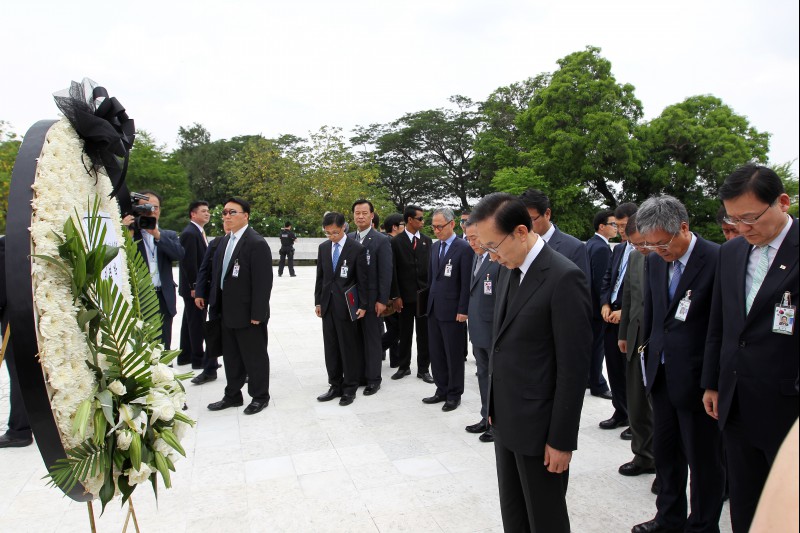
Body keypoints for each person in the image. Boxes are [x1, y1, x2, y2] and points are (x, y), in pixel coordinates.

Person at [472, 193, 591, 533]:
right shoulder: (511, 267)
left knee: (545, 517)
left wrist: (562, 439)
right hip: (506, 418)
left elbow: (573, 368)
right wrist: (492, 404)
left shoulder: (564, 278)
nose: (492, 257)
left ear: (521, 232)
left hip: (541, 429)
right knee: (514, 513)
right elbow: (502, 345)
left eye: (494, 246)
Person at [702, 163, 798, 532]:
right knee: (744, 501)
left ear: (783, 202)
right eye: (732, 219)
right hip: (736, 402)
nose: (741, 228)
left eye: (750, 218)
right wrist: (713, 382)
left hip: (788, 407)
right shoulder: (732, 253)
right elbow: (719, 324)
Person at [634, 195, 725, 533]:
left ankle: (702, 525)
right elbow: (655, 315)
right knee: (667, 453)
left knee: (704, 460)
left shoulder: (717, 259)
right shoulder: (655, 261)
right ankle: (668, 518)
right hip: (661, 374)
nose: (658, 250)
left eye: (662, 242)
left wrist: (712, 380)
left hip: (699, 380)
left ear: (683, 228)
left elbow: (723, 327)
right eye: (650, 244)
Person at [198, 197, 273, 415]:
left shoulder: (256, 243)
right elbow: (216, 275)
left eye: (232, 212)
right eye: (224, 213)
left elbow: (263, 282)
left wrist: (258, 313)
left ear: (245, 216)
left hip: (249, 314)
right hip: (224, 311)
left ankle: (260, 396)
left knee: (254, 357)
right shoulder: (223, 242)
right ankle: (232, 395)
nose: (227, 216)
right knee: (230, 357)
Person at [616, 213, 656, 478]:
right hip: (635, 336)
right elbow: (629, 297)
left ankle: (665, 465)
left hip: (658, 341)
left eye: (643, 243)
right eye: (635, 244)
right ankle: (643, 455)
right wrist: (623, 334)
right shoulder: (634, 257)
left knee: (659, 407)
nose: (640, 248)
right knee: (637, 402)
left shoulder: (667, 257)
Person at [315, 212, 368, 406]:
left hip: (347, 307)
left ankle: (350, 387)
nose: (331, 237)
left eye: (335, 232)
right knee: (331, 348)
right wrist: (318, 302)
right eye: (328, 233)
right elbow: (320, 278)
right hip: (328, 305)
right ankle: (334, 385)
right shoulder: (323, 248)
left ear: (344, 227)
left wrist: (363, 305)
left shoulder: (357, 249)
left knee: (348, 348)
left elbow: (362, 280)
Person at [421, 207, 471, 412]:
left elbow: (467, 282)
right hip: (434, 309)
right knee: (437, 352)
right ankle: (440, 389)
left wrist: (463, 308)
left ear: (452, 224)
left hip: (453, 311)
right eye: (433, 227)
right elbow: (432, 279)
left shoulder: (463, 248)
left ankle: (454, 393)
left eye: (440, 226)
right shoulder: (434, 248)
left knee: (453, 354)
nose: (436, 230)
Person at [123, 191, 185, 349]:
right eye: (145, 207)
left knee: (163, 346)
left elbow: (179, 254)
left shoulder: (168, 235)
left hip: (163, 297)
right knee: (140, 343)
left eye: (155, 207)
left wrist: (157, 235)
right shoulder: (131, 234)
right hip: (140, 296)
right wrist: (125, 230)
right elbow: (121, 254)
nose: (151, 211)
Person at [599, 202, 638, 432]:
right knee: (613, 367)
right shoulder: (619, 249)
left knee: (631, 372)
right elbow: (607, 278)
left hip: (631, 318)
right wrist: (604, 303)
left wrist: (626, 311)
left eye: (624, 225)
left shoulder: (646, 251)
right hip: (610, 316)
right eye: (617, 225)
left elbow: (645, 291)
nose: (621, 229)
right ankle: (620, 411)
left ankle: (636, 418)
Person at [349, 200, 392, 396]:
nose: (360, 216)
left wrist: (382, 300)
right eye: (357, 213)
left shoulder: (381, 240)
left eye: (364, 213)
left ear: (372, 215)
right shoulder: (349, 238)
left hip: (373, 299)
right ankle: (359, 375)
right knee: (355, 339)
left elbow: (385, 273)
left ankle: (374, 379)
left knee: (372, 339)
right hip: (353, 300)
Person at [463, 219, 500, 442]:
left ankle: (498, 424)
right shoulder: (475, 258)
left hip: (494, 330)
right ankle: (485, 416)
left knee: (496, 379)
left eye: (475, 238)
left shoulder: (497, 259)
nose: (471, 243)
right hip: (478, 329)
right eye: (468, 239)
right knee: (483, 376)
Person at [389, 205, 433, 383]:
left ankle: (423, 369)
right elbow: (392, 271)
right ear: (409, 220)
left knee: (424, 334)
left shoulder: (427, 241)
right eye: (420, 218)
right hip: (404, 297)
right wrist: (395, 296)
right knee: (405, 332)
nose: (423, 221)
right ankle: (403, 366)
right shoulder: (395, 242)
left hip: (423, 295)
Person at [0, 237, 33, 449]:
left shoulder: (7, 244)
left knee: (20, 373)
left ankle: (19, 430)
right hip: (40, 313)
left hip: (15, 315)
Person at [519, 188, 590, 278]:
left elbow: (581, 288)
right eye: (522, 221)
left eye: (531, 220)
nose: (526, 226)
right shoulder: (519, 245)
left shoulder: (574, 248)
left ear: (547, 214)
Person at [585, 210, 617, 399]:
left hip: (588, 305)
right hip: (597, 307)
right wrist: (606, 305)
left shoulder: (590, 244)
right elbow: (600, 281)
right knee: (598, 347)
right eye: (613, 224)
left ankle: (591, 378)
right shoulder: (601, 248)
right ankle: (598, 383)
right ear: (601, 226)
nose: (615, 228)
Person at [178, 200, 210, 368]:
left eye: (208, 211)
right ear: (193, 214)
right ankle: (198, 359)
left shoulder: (198, 232)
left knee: (189, 321)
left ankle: (185, 355)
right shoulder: (190, 233)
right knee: (197, 322)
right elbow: (189, 263)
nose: (207, 213)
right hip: (194, 288)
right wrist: (195, 287)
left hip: (194, 287)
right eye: (203, 211)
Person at [191, 230, 226, 385]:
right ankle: (209, 370)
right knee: (213, 336)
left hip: (237, 301)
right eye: (225, 217)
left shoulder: (248, 243)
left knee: (240, 338)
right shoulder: (216, 243)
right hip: (216, 298)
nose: (228, 220)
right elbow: (204, 269)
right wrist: (199, 293)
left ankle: (245, 370)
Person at [381, 214, 405, 367]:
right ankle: (374, 350)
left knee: (393, 328)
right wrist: (394, 295)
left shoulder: (387, 241)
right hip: (391, 296)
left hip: (389, 294)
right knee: (397, 329)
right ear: (395, 227)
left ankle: (396, 360)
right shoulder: (391, 242)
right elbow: (391, 271)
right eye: (403, 224)